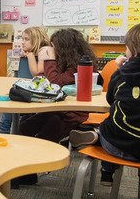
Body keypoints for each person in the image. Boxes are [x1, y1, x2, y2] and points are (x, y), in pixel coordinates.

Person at [68, 22, 140, 185]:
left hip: (117, 147)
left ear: (135, 52)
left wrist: (120, 69)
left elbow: (111, 100)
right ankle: (98, 137)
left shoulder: (122, 76)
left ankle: (98, 136)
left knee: (110, 124)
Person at [16, 28, 98, 185]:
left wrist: (49, 59)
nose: (51, 49)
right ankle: (25, 173)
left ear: (64, 48)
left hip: (72, 113)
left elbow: (55, 82)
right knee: (23, 128)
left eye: (54, 46)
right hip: (56, 108)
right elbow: (49, 79)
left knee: (43, 140)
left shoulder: (79, 65)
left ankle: (26, 173)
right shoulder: (65, 61)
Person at [0, 26, 50, 133]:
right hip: (26, 90)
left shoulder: (42, 55)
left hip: (36, 93)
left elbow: (37, 74)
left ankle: (2, 130)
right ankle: (3, 129)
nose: (22, 42)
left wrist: (30, 57)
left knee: (11, 102)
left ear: (36, 40)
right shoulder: (26, 54)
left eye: (26, 39)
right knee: (9, 100)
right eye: (22, 39)